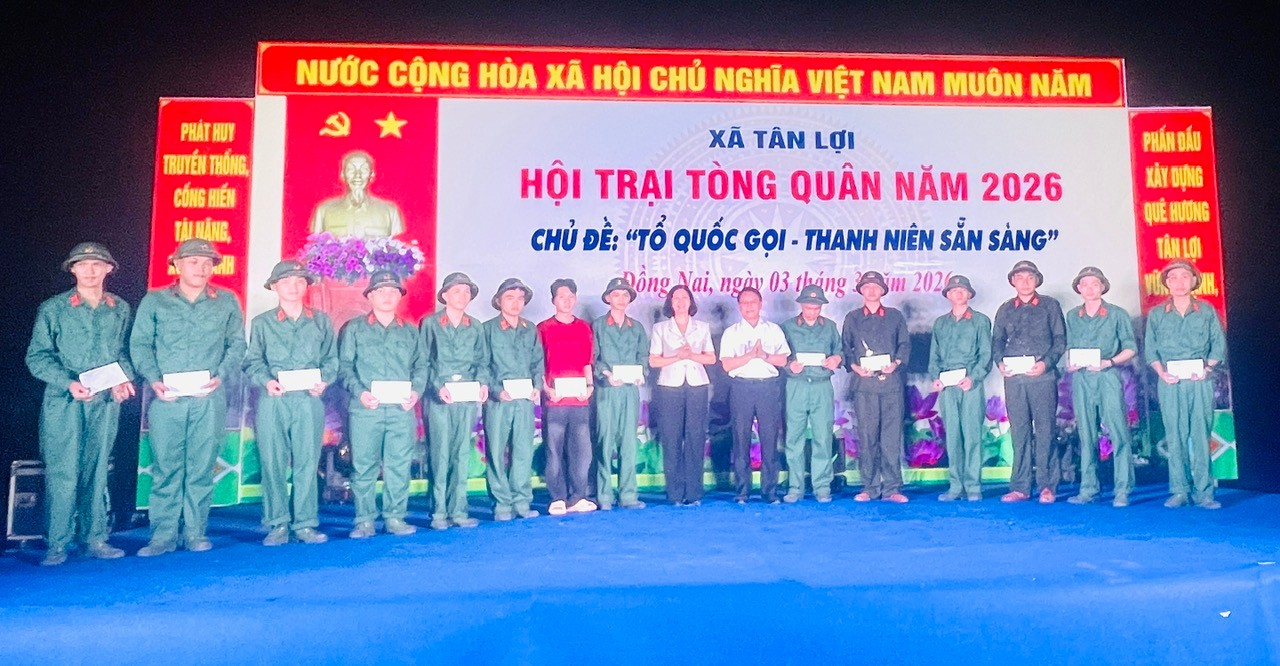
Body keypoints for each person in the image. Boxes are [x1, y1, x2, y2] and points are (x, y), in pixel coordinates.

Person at [130, 238, 246, 556]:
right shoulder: (155, 301)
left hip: (208, 399)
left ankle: (195, 533)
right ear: (177, 265)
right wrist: (153, 380)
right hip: (167, 399)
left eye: (208, 263)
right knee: (166, 468)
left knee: (201, 468)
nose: (201, 268)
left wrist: (221, 375)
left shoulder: (226, 301)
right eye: (193, 261)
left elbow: (237, 344)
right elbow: (140, 345)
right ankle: (162, 536)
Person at [25, 243, 135, 565]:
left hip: (104, 403)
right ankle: (57, 544)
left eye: (97, 264)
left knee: (97, 470)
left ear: (109, 269)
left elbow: (123, 352)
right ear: (72, 269)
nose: (90, 270)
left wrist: (123, 379)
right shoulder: (54, 309)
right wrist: (67, 383)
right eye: (82, 264)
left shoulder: (119, 308)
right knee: (64, 472)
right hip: (65, 402)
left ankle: (94, 538)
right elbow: (37, 357)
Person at [244, 260, 337, 545]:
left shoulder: (321, 321)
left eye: (299, 282)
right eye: (286, 282)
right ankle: (277, 524)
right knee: (272, 462)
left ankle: (305, 524)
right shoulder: (262, 323)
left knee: (307, 463)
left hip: (309, 400)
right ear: (274, 287)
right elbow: (252, 362)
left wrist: (324, 380)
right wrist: (266, 381)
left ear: (307, 286)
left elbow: (331, 360)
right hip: (275, 399)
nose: (294, 287)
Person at [339, 270, 426, 538]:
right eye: (381, 291)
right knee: (364, 466)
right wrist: (360, 393)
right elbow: (344, 367)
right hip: (367, 409)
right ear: (370, 296)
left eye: (393, 291)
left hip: (401, 410)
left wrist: (416, 392)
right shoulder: (354, 329)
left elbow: (421, 366)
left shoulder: (410, 331)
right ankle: (364, 520)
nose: (387, 296)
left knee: (399, 465)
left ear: (400, 297)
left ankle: (395, 517)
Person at [1145, 260, 1227, 510]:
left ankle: (1205, 492)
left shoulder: (1206, 311)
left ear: (1193, 281)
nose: (1179, 282)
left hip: (1199, 381)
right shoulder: (1157, 314)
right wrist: (1162, 373)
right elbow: (1150, 350)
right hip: (1170, 382)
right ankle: (1180, 490)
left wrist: (1207, 369)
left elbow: (1218, 344)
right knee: (1175, 436)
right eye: (1173, 278)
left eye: (1184, 277)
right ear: (1166, 283)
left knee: (1201, 435)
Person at [991, 260, 1066, 504]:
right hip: (1015, 380)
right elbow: (997, 341)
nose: (1025, 282)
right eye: (1020, 278)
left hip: (1042, 378)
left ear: (1037, 280)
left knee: (1045, 431)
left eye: (1029, 277)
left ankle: (1047, 486)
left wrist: (1046, 364)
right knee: (1019, 432)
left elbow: (1060, 340)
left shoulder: (1049, 306)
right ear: (1013, 281)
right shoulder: (1005, 309)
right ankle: (1020, 487)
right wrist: (1000, 363)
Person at [1063, 266, 1138, 507]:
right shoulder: (1073, 316)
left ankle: (1123, 489)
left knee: (1118, 432)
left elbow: (1131, 347)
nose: (1090, 288)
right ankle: (1088, 488)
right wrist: (1069, 362)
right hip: (1082, 379)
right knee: (1086, 435)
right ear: (1078, 288)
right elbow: (1069, 346)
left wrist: (1110, 362)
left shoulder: (1116, 314)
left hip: (1107, 376)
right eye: (1085, 284)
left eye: (1095, 284)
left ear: (1103, 287)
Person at [422, 272, 488, 530]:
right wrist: (437, 386)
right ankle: (438, 511)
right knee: (439, 453)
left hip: (466, 398)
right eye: (457, 291)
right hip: (440, 399)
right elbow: (423, 361)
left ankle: (459, 510)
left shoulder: (476, 326)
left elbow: (482, 361)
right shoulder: (430, 324)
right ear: (445, 295)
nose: (462, 296)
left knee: (461, 453)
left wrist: (482, 383)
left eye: (466, 291)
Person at [842, 271, 911, 503]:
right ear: (861, 291)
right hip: (864, 386)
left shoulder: (894, 316)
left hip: (891, 385)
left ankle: (892, 488)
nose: (871, 290)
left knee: (891, 438)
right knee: (867, 437)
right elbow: (846, 348)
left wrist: (896, 364)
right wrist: (854, 367)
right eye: (867, 286)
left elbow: (904, 345)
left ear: (882, 291)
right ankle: (869, 487)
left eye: (875, 286)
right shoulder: (852, 318)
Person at [719, 287, 790, 504]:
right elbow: (727, 364)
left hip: (768, 387)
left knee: (770, 439)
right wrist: (750, 355)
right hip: (741, 387)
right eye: (744, 303)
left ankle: (770, 491)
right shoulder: (732, 333)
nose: (749, 306)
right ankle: (742, 491)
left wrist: (764, 355)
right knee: (740, 439)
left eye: (753, 302)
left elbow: (783, 360)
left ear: (760, 304)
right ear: (739, 307)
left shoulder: (773, 330)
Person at [481, 278, 543, 521]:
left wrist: (537, 386)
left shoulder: (530, 329)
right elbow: (482, 365)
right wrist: (496, 390)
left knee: (523, 450)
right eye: (510, 298)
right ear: (498, 301)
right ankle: (501, 503)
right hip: (499, 400)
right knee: (496, 451)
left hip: (524, 400)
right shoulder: (487, 329)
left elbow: (537, 362)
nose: (516, 303)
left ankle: (521, 500)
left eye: (520, 298)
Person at [649, 285, 716, 506]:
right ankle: (675, 492)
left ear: (691, 301)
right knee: (671, 438)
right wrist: (677, 356)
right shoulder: (660, 328)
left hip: (697, 385)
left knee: (695, 437)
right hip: (669, 386)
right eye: (675, 298)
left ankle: (694, 492)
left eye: (684, 297)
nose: (680, 302)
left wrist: (692, 355)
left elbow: (711, 358)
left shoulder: (702, 327)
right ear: (670, 302)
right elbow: (654, 361)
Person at [927, 275, 992, 502]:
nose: (958, 293)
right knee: (953, 436)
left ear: (969, 294)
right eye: (954, 290)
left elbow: (986, 355)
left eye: (963, 290)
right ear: (948, 295)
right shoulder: (940, 323)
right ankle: (955, 486)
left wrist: (973, 378)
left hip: (970, 384)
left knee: (972, 435)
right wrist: (935, 378)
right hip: (948, 386)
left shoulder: (980, 321)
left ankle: (973, 486)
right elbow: (934, 356)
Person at [538, 279, 598, 515]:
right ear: (553, 300)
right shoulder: (543, 328)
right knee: (554, 449)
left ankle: (578, 496)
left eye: (571, 296)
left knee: (582, 451)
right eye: (562, 296)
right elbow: (538, 363)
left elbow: (587, 361)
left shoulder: (583, 328)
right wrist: (546, 388)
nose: (567, 300)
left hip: (580, 399)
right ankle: (558, 497)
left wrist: (590, 385)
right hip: (555, 399)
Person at [779, 285, 844, 503]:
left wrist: (836, 359)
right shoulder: (787, 327)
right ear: (801, 305)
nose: (812, 311)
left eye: (816, 308)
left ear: (821, 307)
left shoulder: (830, 327)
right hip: (796, 385)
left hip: (821, 385)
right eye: (808, 307)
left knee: (822, 437)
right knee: (794, 438)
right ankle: (795, 487)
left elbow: (840, 351)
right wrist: (789, 365)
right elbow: (780, 355)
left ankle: (822, 487)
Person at [592, 277, 650, 510]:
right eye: (616, 294)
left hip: (629, 391)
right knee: (605, 442)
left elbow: (643, 357)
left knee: (628, 443)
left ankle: (628, 494)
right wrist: (605, 374)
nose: (621, 299)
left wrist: (641, 373)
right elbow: (592, 358)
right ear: (608, 298)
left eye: (625, 295)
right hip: (607, 391)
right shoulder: (598, 326)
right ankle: (604, 495)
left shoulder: (636, 327)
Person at [310, 150, 405, 238]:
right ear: (343, 174)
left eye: (364, 170)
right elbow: (315, 246)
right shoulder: (324, 211)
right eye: (351, 169)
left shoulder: (390, 211)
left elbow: (397, 244)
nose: (357, 175)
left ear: (372, 175)